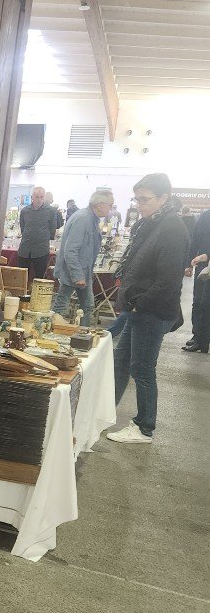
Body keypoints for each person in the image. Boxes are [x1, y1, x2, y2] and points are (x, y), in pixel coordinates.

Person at [106, 173, 191, 444]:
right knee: (120, 362)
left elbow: (168, 280)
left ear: (164, 198)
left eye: (145, 200)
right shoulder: (150, 224)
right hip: (138, 308)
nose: (139, 205)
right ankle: (105, 413)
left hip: (153, 311)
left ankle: (144, 427)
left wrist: (138, 303)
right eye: (137, 199)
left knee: (141, 369)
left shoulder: (172, 228)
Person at [51, 188, 114, 326]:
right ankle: (53, 332)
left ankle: (82, 334)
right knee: (62, 306)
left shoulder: (89, 218)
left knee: (86, 305)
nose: (111, 208)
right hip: (74, 270)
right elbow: (70, 250)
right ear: (100, 204)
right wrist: (78, 275)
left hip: (81, 270)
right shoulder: (83, 219)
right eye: (110, 205)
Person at [182, 206, 210, 354]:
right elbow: (196, 239)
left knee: (204, 303)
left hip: (205, 262)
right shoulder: (206, 216)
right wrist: (189, 264)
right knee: (199, 301)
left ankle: (202, 338)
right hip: (204, 267)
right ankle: (198, 336)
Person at [17, 186, 57, 284]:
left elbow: (52, 229)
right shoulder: (25, 211)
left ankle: (37, 298)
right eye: (37, 197)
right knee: (22, 276)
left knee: (40, 277)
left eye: (41, 197)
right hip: (25, 248)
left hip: (41, 250)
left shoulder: (51, 211)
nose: (39, 199)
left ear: (44, 197)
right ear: (32, 197)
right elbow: (23, 227)